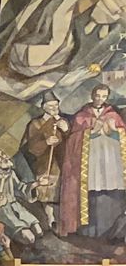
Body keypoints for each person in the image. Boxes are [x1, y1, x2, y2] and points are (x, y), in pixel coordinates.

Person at [57, 83, 126, 237]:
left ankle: (113, 232)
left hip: (109, 163)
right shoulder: (82, 116)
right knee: (92, 195)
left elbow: (123, 137)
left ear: (107, 97)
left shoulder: (113, 115)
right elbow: (73, 139)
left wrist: (114, 132)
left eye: (103, 96)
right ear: (92, 96)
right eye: (97, 95)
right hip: (89, 164)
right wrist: (91, 132)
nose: (100, 99)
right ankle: (89, 232)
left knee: (110, 196)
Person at [21, 92, 68, 232]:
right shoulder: (35, 123)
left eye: (56, 105)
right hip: (43, 162)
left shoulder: (62, 122)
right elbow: (30, 146)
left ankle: (61, 222)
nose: (55, 108)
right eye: (51, 105)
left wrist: (65, 130)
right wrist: (46, 142)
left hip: (61, 162)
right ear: (44, 107)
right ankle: (50, 219)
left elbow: (72, 141)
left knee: (61, 190)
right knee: (46, 191)